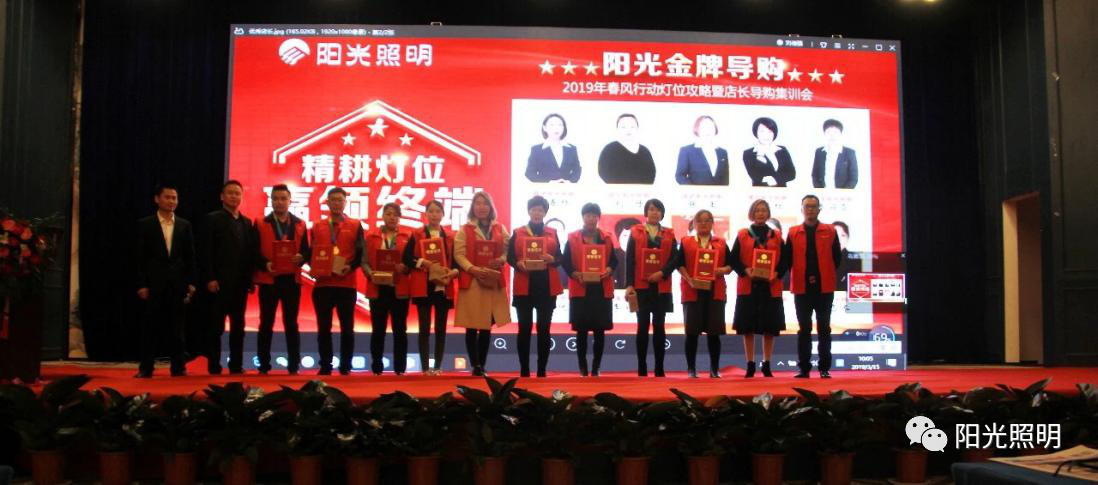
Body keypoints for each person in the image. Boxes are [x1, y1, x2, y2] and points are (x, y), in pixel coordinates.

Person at [134, 185, 196, 378]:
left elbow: (190, 256)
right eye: (167, 197)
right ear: (157, 199)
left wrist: (191, 282)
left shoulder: (184, 225)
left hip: (178, 284)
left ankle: (178, 367)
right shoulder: (145, 224)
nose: (171, 201)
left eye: (174, 198)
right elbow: (139, 258)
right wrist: (142, 284)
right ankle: (146, 368)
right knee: (150, 327)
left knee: (177, 328)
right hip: (154, 283)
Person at [252, 184, 310, 375]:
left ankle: (293, 365)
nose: (279, 202)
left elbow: (306, 251)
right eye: (276, 198)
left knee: (291, 323)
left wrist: (302, 257)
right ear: (271, 201)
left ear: (290, 200)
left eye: (283, 198)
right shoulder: (261, 223)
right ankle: (264, 365)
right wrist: (265, 264)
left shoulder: (300, 224)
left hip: (291, 281)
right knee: (266, 323)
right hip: (269, 279)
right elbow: (253, 251)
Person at [198, 180, 254, 375]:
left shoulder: (247, 223)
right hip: (219, 283)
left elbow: (249, 255)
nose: (234, 196)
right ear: (222, 196)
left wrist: (250, 280)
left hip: (240, 284)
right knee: (216, 327)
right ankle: (214, 365)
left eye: (237, 193)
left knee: (238, 327)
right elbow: (205, 252)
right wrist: (209, 278)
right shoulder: (212, 219)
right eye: (230, 193)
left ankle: (236, 366)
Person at [453, 191, 511, 376]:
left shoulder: (500, 228)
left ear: (490, 207)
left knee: (487, 324)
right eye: (477, 203)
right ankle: (475, 365)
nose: (481, 207)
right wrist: (472, 269)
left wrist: (501, 259)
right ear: (473, 207)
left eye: (484, 203)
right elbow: (458, 254)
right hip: (473, 280)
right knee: (472, 324)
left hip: (492, 281)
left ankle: (482, 365)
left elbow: (507, 250)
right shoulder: (465, 229)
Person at [784, 195, 842, 379]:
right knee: (804, 329)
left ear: (819, 209)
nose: (810, 209)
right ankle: (804, 369)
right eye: (807, 206)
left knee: (824, 328)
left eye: (813, 206)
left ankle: (824, 368)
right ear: (802, 209)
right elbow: (787, 259)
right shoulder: (793, 232)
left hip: (824, 288)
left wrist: (824, 273)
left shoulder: (830, 230)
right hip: (801, 288)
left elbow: (837, 258)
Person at [309, 187, 365, 375]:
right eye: (333, 200)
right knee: (323, 328)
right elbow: (311, 253)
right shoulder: (317, 226)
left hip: (346, 284)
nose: (336, 203)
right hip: (323, 285)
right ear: (327, 202)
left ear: (345, 202)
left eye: (340, 200)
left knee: (347, 328)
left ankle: (346, 366)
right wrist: (314, 268)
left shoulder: (355, 225)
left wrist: (351, 267)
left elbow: (361, 253)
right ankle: (325, 365)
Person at [671, 210, 733, 378]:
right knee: (692, 333)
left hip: (715, 291)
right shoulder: (686, 242)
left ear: (712, 223)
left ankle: (714, 369)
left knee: (714, 333)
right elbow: (679, 264)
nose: (703, 224)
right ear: (694, 224)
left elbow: (730, 266)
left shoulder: (721, 243)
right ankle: (691, 369)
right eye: (700, 221)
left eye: (707, 220)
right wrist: (689, 279)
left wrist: (721, 270)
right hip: (692, 290)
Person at [507, 195, 563, 377]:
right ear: (529, 211)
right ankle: (524, 370)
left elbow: (560, 258)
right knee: (524, 329)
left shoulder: (552, 232)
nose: (537, 213)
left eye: (540, 210)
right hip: (524, 285)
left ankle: (541, 370)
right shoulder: (518, 232)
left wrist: (552, 259)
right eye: (534, 209)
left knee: (544, 329)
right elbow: (510, 257)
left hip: (546, 287)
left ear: (545, 212)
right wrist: (518, 264)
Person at [731, 199, 786, 377]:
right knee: (747, 327)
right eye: (757, 210)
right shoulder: (743, 234)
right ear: (752, 213)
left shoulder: (776, 235)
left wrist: (776, 273)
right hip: (748, 286)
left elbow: (786, 260)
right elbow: (733, 259)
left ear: (768, 213)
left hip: (771, 286)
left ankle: (767, 364)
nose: (760, 213)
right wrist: (745, 270)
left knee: (769, 327)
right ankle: (750, 364)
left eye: (763, 210)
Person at [403, 200, 459, 375]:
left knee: (441, 328)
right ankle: (426, 368)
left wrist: (453, 272)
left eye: (438, 211)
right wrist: (423, 262)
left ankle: (438, 366)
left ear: (443, 214)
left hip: (443, 285)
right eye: (431, 211)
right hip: (423, 285)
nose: (434, 215)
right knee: (424, 328)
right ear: (426, 214)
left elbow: (456, 262)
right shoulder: (417, 234)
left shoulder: (450, 236)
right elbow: (407, 258)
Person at [562, 203, 617, 377]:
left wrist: (609, 269)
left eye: (594, 216)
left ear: (598, 218)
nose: (591, 219)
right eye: (588, 215)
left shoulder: (606, 238)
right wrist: (574, 273)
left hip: (601, 289)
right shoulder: (573, 238)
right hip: (581, 288)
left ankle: (596, 368)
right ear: (583, 217)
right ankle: (583, 368)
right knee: (581, 331)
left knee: (600, 331)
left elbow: (614, 261)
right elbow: (565, 261)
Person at [624, 198, 676, 377]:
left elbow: (674, 260)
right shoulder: (635, 232)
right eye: (651, 209)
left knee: (659, 326)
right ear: (646, 212)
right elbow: (629, 260)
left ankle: (660, 368)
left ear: (662, 213)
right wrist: (629, 285)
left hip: (661, 285)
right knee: (642, 326)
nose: (655, 212)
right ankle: (642, 368)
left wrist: (662, 273)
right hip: (641, 287)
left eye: (658, 210)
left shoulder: (669, 234)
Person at [363, 203, 412, 375]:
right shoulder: (372, 236)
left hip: (399, 289)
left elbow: (411, 261)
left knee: (400, 330)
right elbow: (364, 261)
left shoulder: (407, 237)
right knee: (378, 330)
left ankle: (400, 369)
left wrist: (405, 267)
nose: (392, 217)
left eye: (395, 214)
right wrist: (370, 274)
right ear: (382, 216)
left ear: (399, 217)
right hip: (378, 288)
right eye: (388, 214)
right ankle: (377, 367)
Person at [597, 114, 656, 184]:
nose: (628, 130)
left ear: (637, 128)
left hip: (641, 190)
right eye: (623, 127)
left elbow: (651, 173)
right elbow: (603, 172)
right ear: (617, 129)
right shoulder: (609, 150)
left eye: (632, 127)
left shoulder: (645, 151)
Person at [525, 114, 582, 183]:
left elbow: (577, 169)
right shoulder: (536, 150)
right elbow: (529, 173)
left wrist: (569, 181)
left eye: (560, 125)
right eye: (552, 125)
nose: (556, 128)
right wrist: (549, 182)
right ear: (544, 128)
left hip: (567, 188)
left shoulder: (571, 149)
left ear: (564, 128)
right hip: (544, 188)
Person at [675, 115, 729, 185]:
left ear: (715, 130)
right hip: (695, 192)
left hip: (718, 192)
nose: (708, 131)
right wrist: (692, 189)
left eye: (710, 127)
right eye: (704, 127)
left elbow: (726, 178)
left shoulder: (723, 152)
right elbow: (680, 176)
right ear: (697, 129)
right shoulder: (687, 151)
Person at [743, 117, 796, 187]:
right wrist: (760, 156)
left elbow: (792, 174)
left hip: (782, 192)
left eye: (770, 131)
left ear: (774, 133)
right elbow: (756, 176)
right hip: (760, 192)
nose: (766, 135)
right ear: (756, 132)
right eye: (762, 131)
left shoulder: (782, 150)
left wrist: (776, 179)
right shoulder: (749, 153)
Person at [811, 119, 859, 189]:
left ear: (840, 134)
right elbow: (815, 175)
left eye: (835, 132)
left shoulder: (850, 152)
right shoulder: (819, 152)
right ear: (824, 134)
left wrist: (842, 193)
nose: (832, 135)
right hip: (823, 192)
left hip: (843, 193)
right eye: (828, 132)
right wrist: (820, 190)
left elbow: (853, 178)